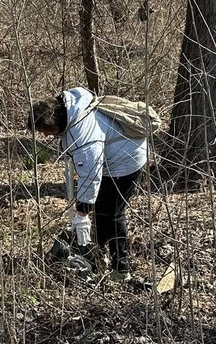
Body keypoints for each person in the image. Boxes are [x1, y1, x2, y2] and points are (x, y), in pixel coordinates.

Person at [31, 88, 147, 281]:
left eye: (44, 130)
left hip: (127, 157)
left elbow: (90, 174)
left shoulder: (81, 133)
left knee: (113, 214)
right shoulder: (68, 109)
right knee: (102, 209)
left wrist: (82, 211)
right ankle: (99, 255)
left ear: (52, 122)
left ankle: (121, 269)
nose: (44, 135)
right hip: (112, 154)